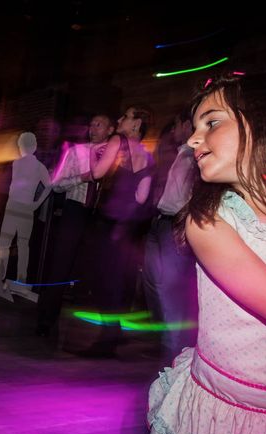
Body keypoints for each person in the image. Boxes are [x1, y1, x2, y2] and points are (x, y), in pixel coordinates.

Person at [145, 73, 266, 434]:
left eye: (212, 123)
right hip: (229, 417)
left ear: (264, 122)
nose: (192, 140)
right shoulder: (209, 221)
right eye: (194, 127)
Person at [83, 105, 155, 356]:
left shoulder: (118, 140)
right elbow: (142, 196)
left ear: (136, 125)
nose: (119, 118)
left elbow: (97, 173)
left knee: (100, 279)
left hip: (107, 222)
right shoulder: (147, 156)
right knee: (118, 281)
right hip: (127, 228)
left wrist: (95, 154)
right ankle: (113, 336)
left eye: (126, 116)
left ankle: (106, 341)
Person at [36, 113, 115, 337]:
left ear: (111, 130)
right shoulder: (76, 152)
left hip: (103, 216)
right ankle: (45, 320)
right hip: (76, 210)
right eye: (91, 123)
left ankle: (103, 331)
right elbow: (56, 184)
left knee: (99, 270)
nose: (93, 128)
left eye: (99, 124)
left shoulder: (117, 153)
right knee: (60, 266)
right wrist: (82, 177)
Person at [142, 108, 198, 360]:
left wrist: (183, 222)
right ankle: (166, 342)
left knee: (171, 289)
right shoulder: (180, 154)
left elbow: (193, 195)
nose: (174, 131)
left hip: (175, 224)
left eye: (176, 125)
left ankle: (173, 354)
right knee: (153, 282)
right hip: (159, 221)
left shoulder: (194, 156)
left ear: (187, 124)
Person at [0, 132, 51, 294]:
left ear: (22, 147)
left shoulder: (18, 163)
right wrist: (36, 204)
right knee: (22, 245)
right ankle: (19, 282)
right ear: (34, 147)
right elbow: (49, 185)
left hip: (14, 206)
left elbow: (48, 185)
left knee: (6, 244)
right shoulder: (36, 166)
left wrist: (36, 204)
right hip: (25, 208)